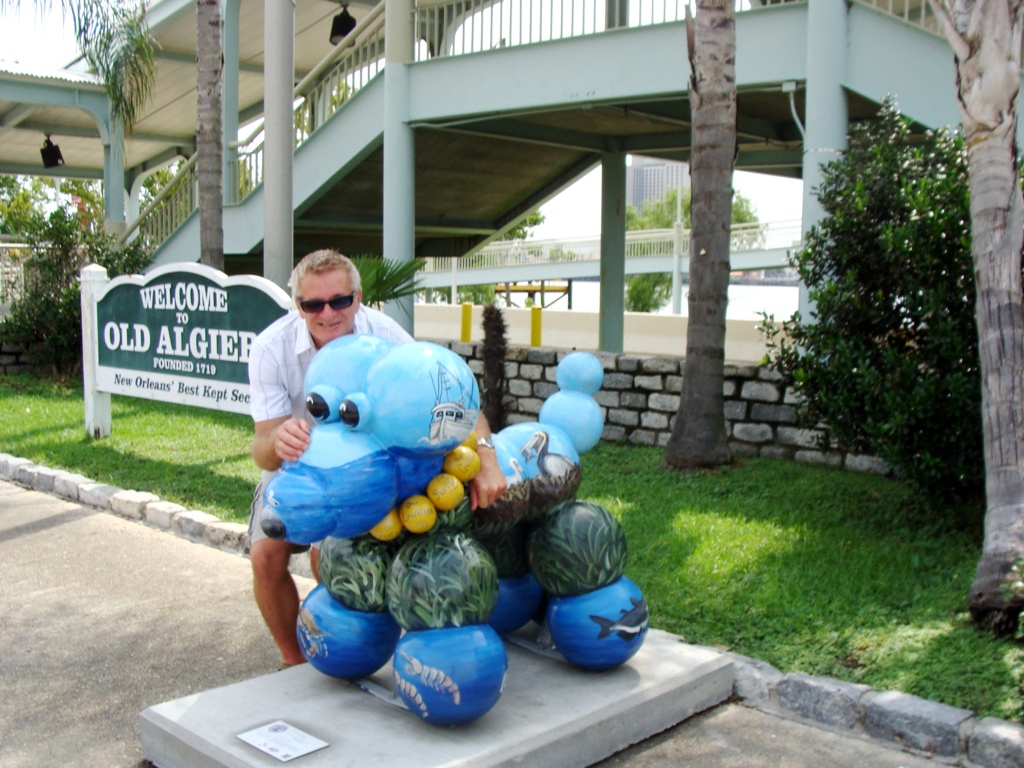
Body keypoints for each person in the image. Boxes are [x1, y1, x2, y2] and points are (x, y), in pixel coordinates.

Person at [247, 249, 508, 668]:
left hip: (372, 468)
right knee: (265, 557)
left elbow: (452, 395)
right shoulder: (270, 348)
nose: (328, 313)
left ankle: (354, 643)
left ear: (358, 297)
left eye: (340, 300)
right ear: (298, 305)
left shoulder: (383, 335)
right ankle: (293, 662)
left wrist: (487, 456)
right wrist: (279, 439)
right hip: (300, 465)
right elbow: (262, 447)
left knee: (331, 555)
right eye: (313, 304)